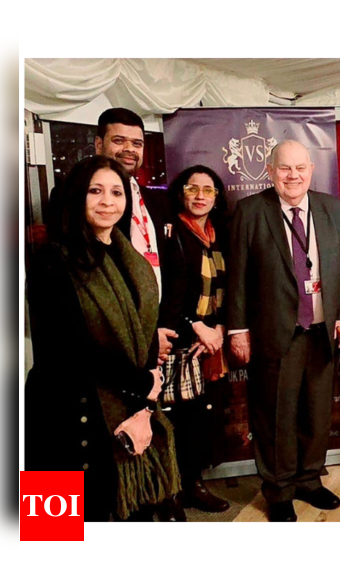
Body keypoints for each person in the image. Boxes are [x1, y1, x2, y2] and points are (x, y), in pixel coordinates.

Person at [26, 155, 181, 521]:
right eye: (95, 191)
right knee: (55, 534)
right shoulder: (52, 259)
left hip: (128, 410)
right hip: (64, 416)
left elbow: (141, 337)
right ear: (76, 196)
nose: (108, 201)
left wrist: (144, 406)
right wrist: (144, 384)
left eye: (117, 192)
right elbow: (69, 349)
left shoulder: (131, 260)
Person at [226, 140, 340, 522]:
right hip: (275, 332)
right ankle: (279, 489)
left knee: (317, 413)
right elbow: (237, 276)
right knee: (276, 415)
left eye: (300, 167)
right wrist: (238, 329)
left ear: (311, 170)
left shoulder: (335, 210)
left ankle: (309, 480)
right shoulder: (251, 212)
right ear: (270, 171)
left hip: (322, 332)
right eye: (285, 168)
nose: (293, 175)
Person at [158, 165, 232, 514]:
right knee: (174, 420)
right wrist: (193, 326)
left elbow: (230, 288)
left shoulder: (222, 234)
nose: (200, 195)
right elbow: (161, 293)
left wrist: (218, 327)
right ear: (181, 192)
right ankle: (169, 490)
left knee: (204, 417)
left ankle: (194, 484)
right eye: (193, 188)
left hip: (211, 342)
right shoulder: (168, 232)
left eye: (208, 189)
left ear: (217, 197)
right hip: (176, 339)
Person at [92, 108, 180, 363]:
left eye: (137, 143)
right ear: (99, 144)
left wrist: (163, 328)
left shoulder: (157, 200)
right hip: (115, 343)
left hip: (161, 333)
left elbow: (176, 268)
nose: (129, 149)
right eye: (119, 141)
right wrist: (147, 338)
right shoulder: (80, 198)